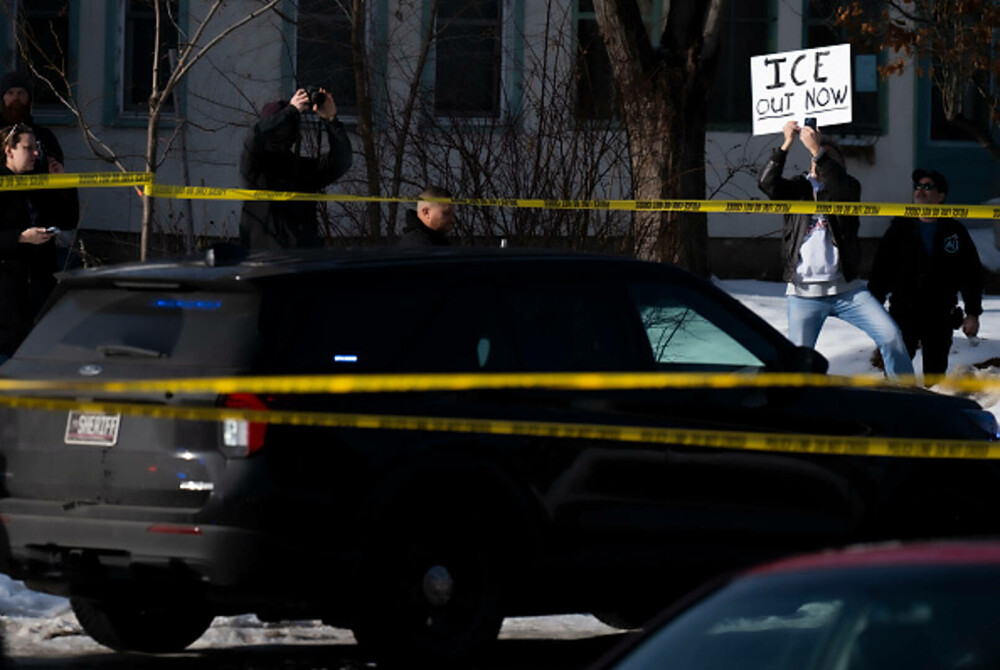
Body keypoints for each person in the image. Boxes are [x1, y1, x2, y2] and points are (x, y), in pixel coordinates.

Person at [757, 119, 912, 379]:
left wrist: (818, 150)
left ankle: (910, 399)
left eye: (829, 156)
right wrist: (786, 144)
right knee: (797, 364)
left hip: (847, 292)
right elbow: (767, 183)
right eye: (816, 154)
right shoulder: (798, 188)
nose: (819, 157)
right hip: (803, 294)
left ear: (839, 166)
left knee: (892, 337)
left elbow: (840, 187)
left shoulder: (849, 188)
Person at [868, 169, 982, 379]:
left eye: (928, 187)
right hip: (904, 311)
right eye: (918, 187)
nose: (921, 191)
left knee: (935, 376)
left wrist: (973, 312)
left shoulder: (954, 231)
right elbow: (880, 271)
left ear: (941, 196)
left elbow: (971, 274)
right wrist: (874, 309)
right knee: (896, 376)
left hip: (940, 313)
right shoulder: (900, 228)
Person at [0, 124, 79, 361]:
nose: (36, 153)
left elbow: (67, 219)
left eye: (37, 148)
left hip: (39, 279)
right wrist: (21, 238)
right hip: (6, 287)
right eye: (28, 148)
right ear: (9, 150)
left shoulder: (38, 182)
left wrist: (62, 184)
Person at [239, 87, 353, 250]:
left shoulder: (300, 168)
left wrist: (331, 121)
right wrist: (290, 112)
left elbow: (341, 162)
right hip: (263, 263)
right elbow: (255, 135)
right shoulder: (255, 167)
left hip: (302, 262)